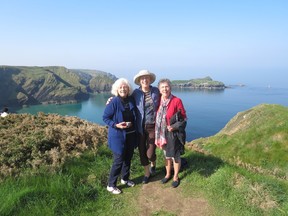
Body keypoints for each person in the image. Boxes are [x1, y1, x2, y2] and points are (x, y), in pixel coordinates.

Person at [103, 78, 138, 194]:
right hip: (118, 137)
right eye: (121, 87)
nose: (123, 89)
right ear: (117, 89)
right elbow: (105, 118)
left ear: (128, 89)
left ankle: (125, 179)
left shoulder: (131, 100)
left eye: (125, 87)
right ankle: (111, 185)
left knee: (128, 158)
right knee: (118, 160)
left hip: (131, 135)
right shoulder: (114, 102)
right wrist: (116, 125)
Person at [155, 78, 187, 188]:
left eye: (166, 87)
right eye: (162, 87)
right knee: (166, 155)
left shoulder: (177, 101)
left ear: (170, 88)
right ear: (159, 89)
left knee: (175, 156)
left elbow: (184, 118)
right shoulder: (158, 100)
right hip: (162, 134)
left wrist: (173, 127)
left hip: (173, 134)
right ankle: (168, 174)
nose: (165, 89)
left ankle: (176, 176)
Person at [132, 70, 160, 184]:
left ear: (150, 79)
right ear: (139, 81)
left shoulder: (156, 91)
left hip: (152, 126)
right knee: (142, 151)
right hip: (140, 127)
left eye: (146, 78)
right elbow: (123, 99)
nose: (145, 80)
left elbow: (166, 98)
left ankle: (153, 162)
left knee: (150, 153)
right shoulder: (135, 93)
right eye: (142, 78)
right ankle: (147, 173)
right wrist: (111, 100)